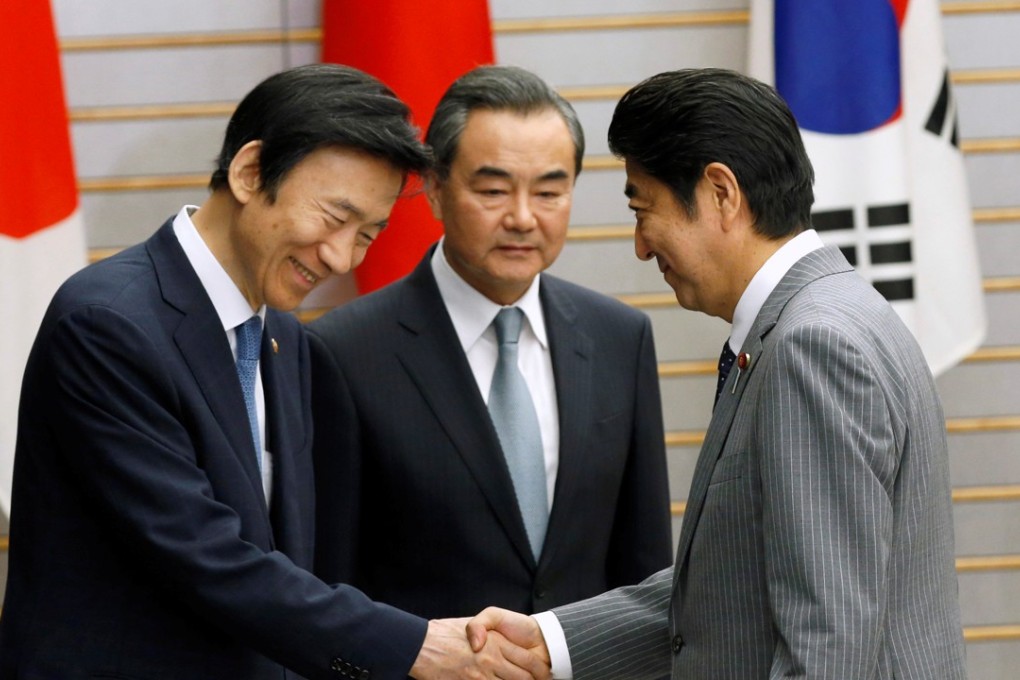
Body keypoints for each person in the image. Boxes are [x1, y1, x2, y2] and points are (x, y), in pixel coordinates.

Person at [0, 64, 548, 680]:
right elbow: (204, 555)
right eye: (334, 218)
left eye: (367, 234)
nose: (341, 257)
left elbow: (293, 563)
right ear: (250, 171)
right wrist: (410, 645)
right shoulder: (108, 324)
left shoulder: (283, 336)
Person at [467, 68, 967, 679]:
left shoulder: (813, 347)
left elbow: (827, 647)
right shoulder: (829, 315)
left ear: (721, 193)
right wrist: (552, 640)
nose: (641, 247)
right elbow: (738, 578)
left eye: (643, 209)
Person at [307, 65, 672, 621]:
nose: (522, 218)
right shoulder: (343, 351)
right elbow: (330, 581)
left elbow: (643, 569)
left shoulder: (620, 336)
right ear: (434, 188)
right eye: (494, 190)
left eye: (549, 191)